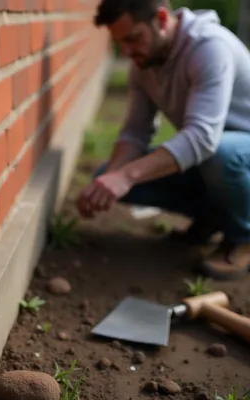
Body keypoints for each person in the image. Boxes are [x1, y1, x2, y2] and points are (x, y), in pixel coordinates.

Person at [76, 0, 250, 280]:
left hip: (239, 152)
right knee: (108, 179)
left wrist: (127, 175)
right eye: (120, 43)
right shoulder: (145, 64)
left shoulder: (208, 48)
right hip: (215, 159)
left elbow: (202, 138)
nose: (128, 51)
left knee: (221, 155)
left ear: (161, 18)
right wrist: (112, 178)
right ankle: (215, 215)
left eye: (133, 39)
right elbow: (135, 132)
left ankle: (243, 237)